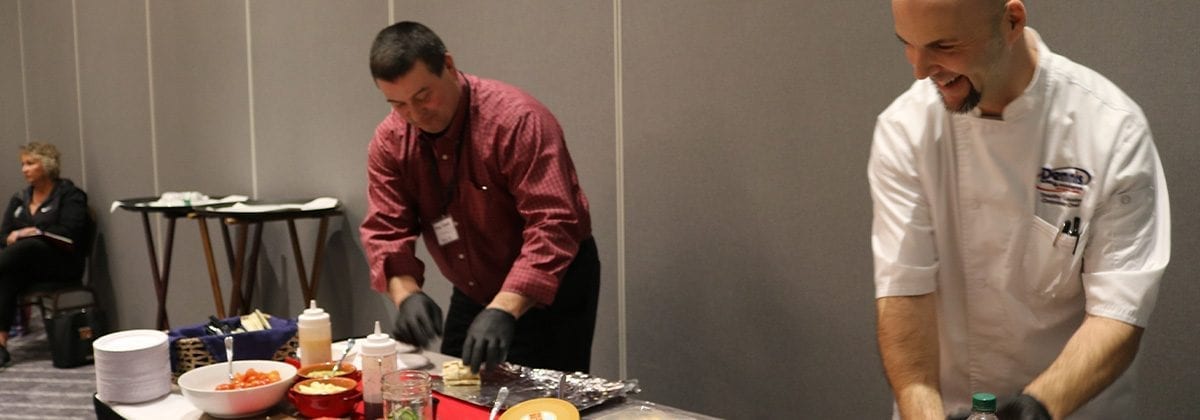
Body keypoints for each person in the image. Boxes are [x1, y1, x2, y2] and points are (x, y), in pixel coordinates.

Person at [870, 1, 1170, 419]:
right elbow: (904, 294)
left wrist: (1034, 409)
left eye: (944, 45)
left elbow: (1119, 312)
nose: (921, 70)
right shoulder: (905, 130)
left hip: (1068, 407)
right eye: (909, 45)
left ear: (1011, 21)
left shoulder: (1112, 131)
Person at [360, 21, 599, 374]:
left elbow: (553, 224)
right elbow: (386, 231)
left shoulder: (517, 121)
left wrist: (505, 308)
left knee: (543, 404)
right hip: (474, 288)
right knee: (456, 392)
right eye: (398, 104)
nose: (414, 114)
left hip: (552, 287)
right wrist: (406, 294)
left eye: (423, 96)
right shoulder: (390, 141)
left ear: (449, 66)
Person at [0, 142, 91, 367]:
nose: (24, 169)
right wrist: (14, 236)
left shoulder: (70, 195)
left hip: (61, 263)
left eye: (31, 163)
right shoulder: (20, 199)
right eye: (23, 164)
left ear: (47, 165)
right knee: (7, 276)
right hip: (24, 267)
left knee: (28, 245)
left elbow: (71, 232)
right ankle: (0, 345)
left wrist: (36, 233)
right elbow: (3, 235)